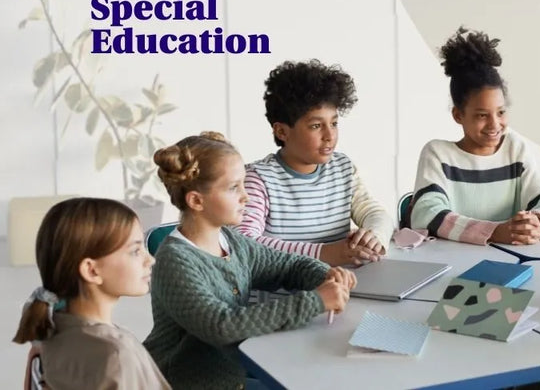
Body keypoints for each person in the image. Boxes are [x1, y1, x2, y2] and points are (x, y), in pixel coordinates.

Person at [144, 131, 355, 389]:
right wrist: (316, 301)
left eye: (243, 184)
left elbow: (289, 265)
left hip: (233, 380)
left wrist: (325, 275)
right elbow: (223, 325)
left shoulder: (232, 241)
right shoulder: (175, 261)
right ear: (197, 200)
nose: (246, 196)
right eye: (234, 188)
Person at [410, 27, 540, 244]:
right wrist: (494, 232)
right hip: (455, 265)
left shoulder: (515, 148)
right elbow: (425, 214)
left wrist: (539, 222)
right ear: (458, 115)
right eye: (482, 115)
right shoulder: (437, 154)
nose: (495, 124)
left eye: (501, 112)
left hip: (512, 261)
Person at [237, 59, 394, 267]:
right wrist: (326, 253)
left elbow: (374, 213)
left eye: (334, 123)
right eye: (316, 126)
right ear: (282, 131)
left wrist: (374, 236)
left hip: (342, 285)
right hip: (287, 294)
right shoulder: (257, 179)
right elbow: (244, 242)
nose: (330, 135)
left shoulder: (342, 168)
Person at [12, 197, 170, 389]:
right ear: (91, 270)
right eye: (135, 251)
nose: (150, 260)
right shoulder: (117, 354)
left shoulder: (49, 329)